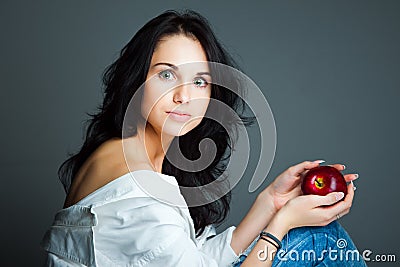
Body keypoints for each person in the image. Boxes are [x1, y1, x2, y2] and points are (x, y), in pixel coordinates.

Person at [41, 10, 367, 266]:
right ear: (136, 80)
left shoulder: (117, 152)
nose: (185, 96)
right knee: (320, 239)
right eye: (166, 74)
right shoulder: (142, 193)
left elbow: (195, 261)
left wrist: (271, 201)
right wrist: (281, 225)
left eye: (199, 81)